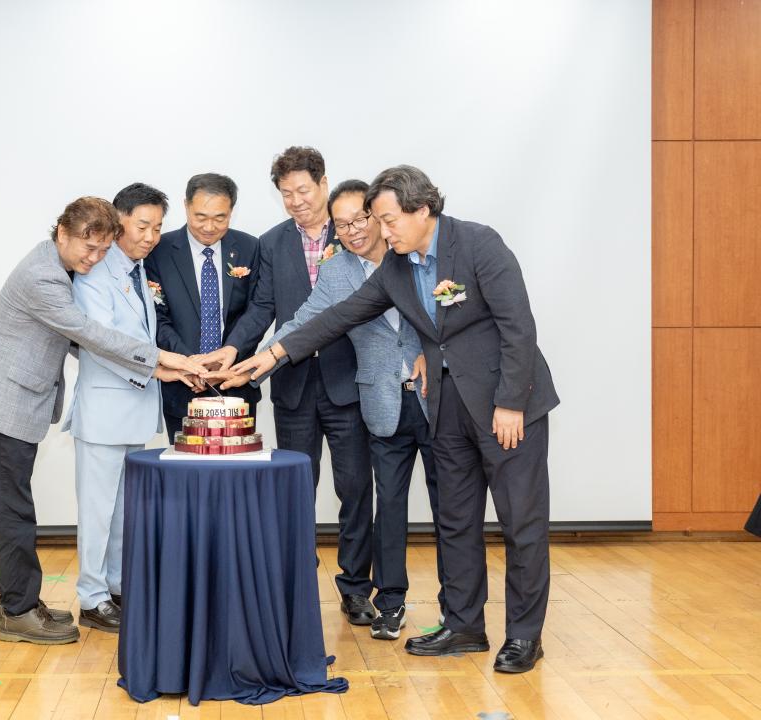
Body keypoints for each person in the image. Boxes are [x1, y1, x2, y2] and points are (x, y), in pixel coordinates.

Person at [226, 165, 559, 673]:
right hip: (445, 406)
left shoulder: (478, 244)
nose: (381, 231)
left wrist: (511, 402)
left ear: (422, 209)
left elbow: (519, 325)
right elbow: (340, 314)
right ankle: (464, 624)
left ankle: (524, 636)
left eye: (387, 219)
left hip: (504, 408)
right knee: (455, 521)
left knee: (521, 524)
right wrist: (271, 356)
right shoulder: (399, 268)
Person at [0, 196, 204, 645]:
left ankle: (16, 602)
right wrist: (163, 361)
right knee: (12, 510)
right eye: (87, 248)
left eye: (101, 250)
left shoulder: (59, 265)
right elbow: (89, 334)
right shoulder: (44, 278)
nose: (93, 259)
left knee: (12, 507)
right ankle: (18, 610)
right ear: (62, 233)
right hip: (6, 400)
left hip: (22, 398)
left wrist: (160, 367)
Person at [228, 179, 446, 641]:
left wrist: (437, 351)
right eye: (342, 225)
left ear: (377, 215)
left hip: (437, 396)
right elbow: (310, 320)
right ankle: (390, 602)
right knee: (387, 507)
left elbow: (450, 315)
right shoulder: (336, 272)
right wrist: (261, 360)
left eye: (359, 220)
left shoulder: (414, 255)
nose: (351, 231)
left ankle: (459, 608)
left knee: (452, 504)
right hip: (383, 403)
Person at [201, 147, 376, 627]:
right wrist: (233, 351)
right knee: (295, 489)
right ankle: (295, 583)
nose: (296, 201)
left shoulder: (356, 234)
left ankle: (356, 587)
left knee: (356, 488)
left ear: (323, 184)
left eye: (303, 190)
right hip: (293, 383)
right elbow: (262, 310)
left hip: (348, 379)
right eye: (285, 194)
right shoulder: (272, 243)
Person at [62, 184, 169, 634]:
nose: (150, 236)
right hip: (105, 412)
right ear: (118, 221)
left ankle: (118, 587)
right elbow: (101, 342)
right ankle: (91, 596)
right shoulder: (94, 274)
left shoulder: (136, 271)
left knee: (126, 510)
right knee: (98, 511)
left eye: (158, 228)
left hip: (134, 411)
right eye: (142, 225)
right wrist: (164, 367)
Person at [143, 173, 263, 441]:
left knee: (235, 475)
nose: (209, 226)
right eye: (200, 217)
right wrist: (189, 363)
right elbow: (156, 317)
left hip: (234, 384)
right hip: (181, 384)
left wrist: (230, 354)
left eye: (220, 218)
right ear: (185, 206)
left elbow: (257, 309)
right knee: (186, 474)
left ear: (232, 210)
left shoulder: (249, 247)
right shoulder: (159, 251)